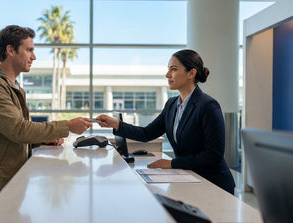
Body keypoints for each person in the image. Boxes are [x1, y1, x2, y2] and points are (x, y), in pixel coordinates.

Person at [0, 25, 92, 218]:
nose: (33, 57)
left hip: (7, 178)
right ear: (10, 50)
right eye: (29, 50)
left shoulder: (14, 87)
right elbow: (18, 129)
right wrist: (67, 126)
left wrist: (41, 141)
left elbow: (11, 132)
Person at [96, 49, 235, 195]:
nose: (167, 75)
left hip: (213, 184)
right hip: (189, 178)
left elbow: (213, 155)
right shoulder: (171, 105)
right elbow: (147, 133)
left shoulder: (208, 106)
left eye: (173, 70)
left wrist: (172, 163)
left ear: (191, 73)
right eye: (168, 70)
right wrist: (116, 124)